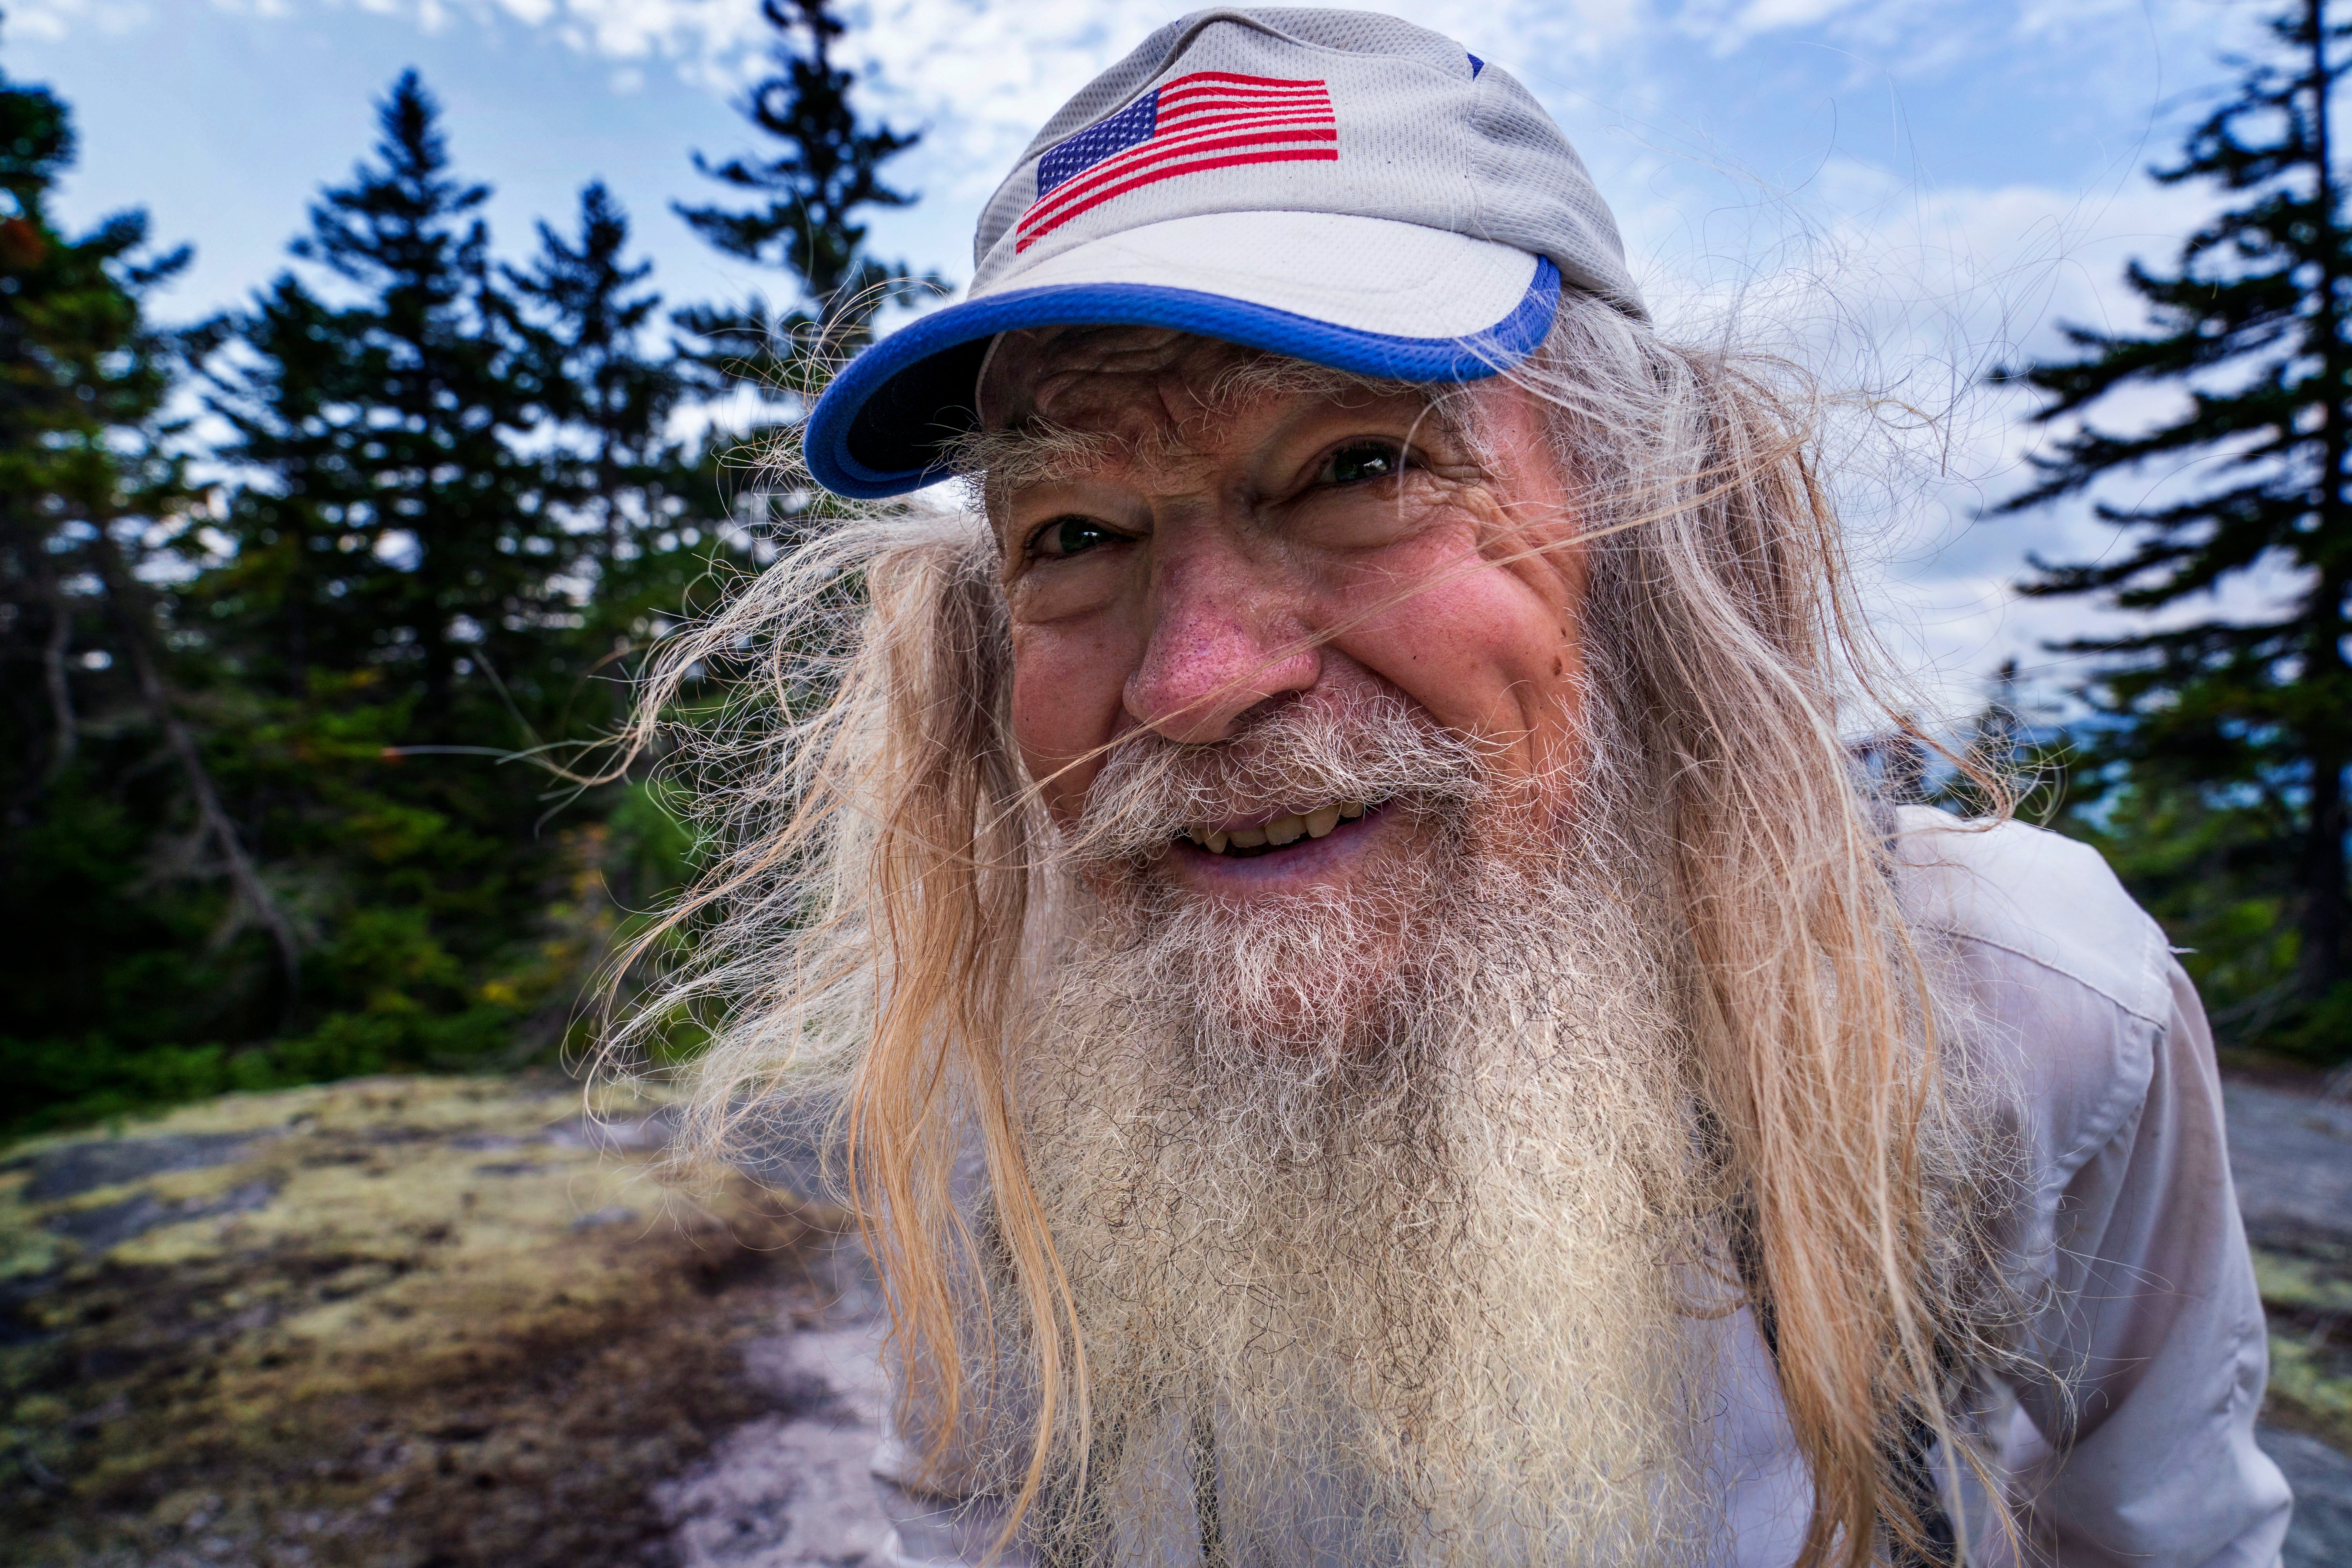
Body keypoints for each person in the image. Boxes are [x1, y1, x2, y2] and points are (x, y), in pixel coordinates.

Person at [615, 9, 2292, 1565]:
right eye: (1074, 537)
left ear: (1649, 525)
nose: (1193, 683)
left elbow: (2173, 1529)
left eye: (1359, 467)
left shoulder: (2015, 1005)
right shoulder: (1005, 1072)